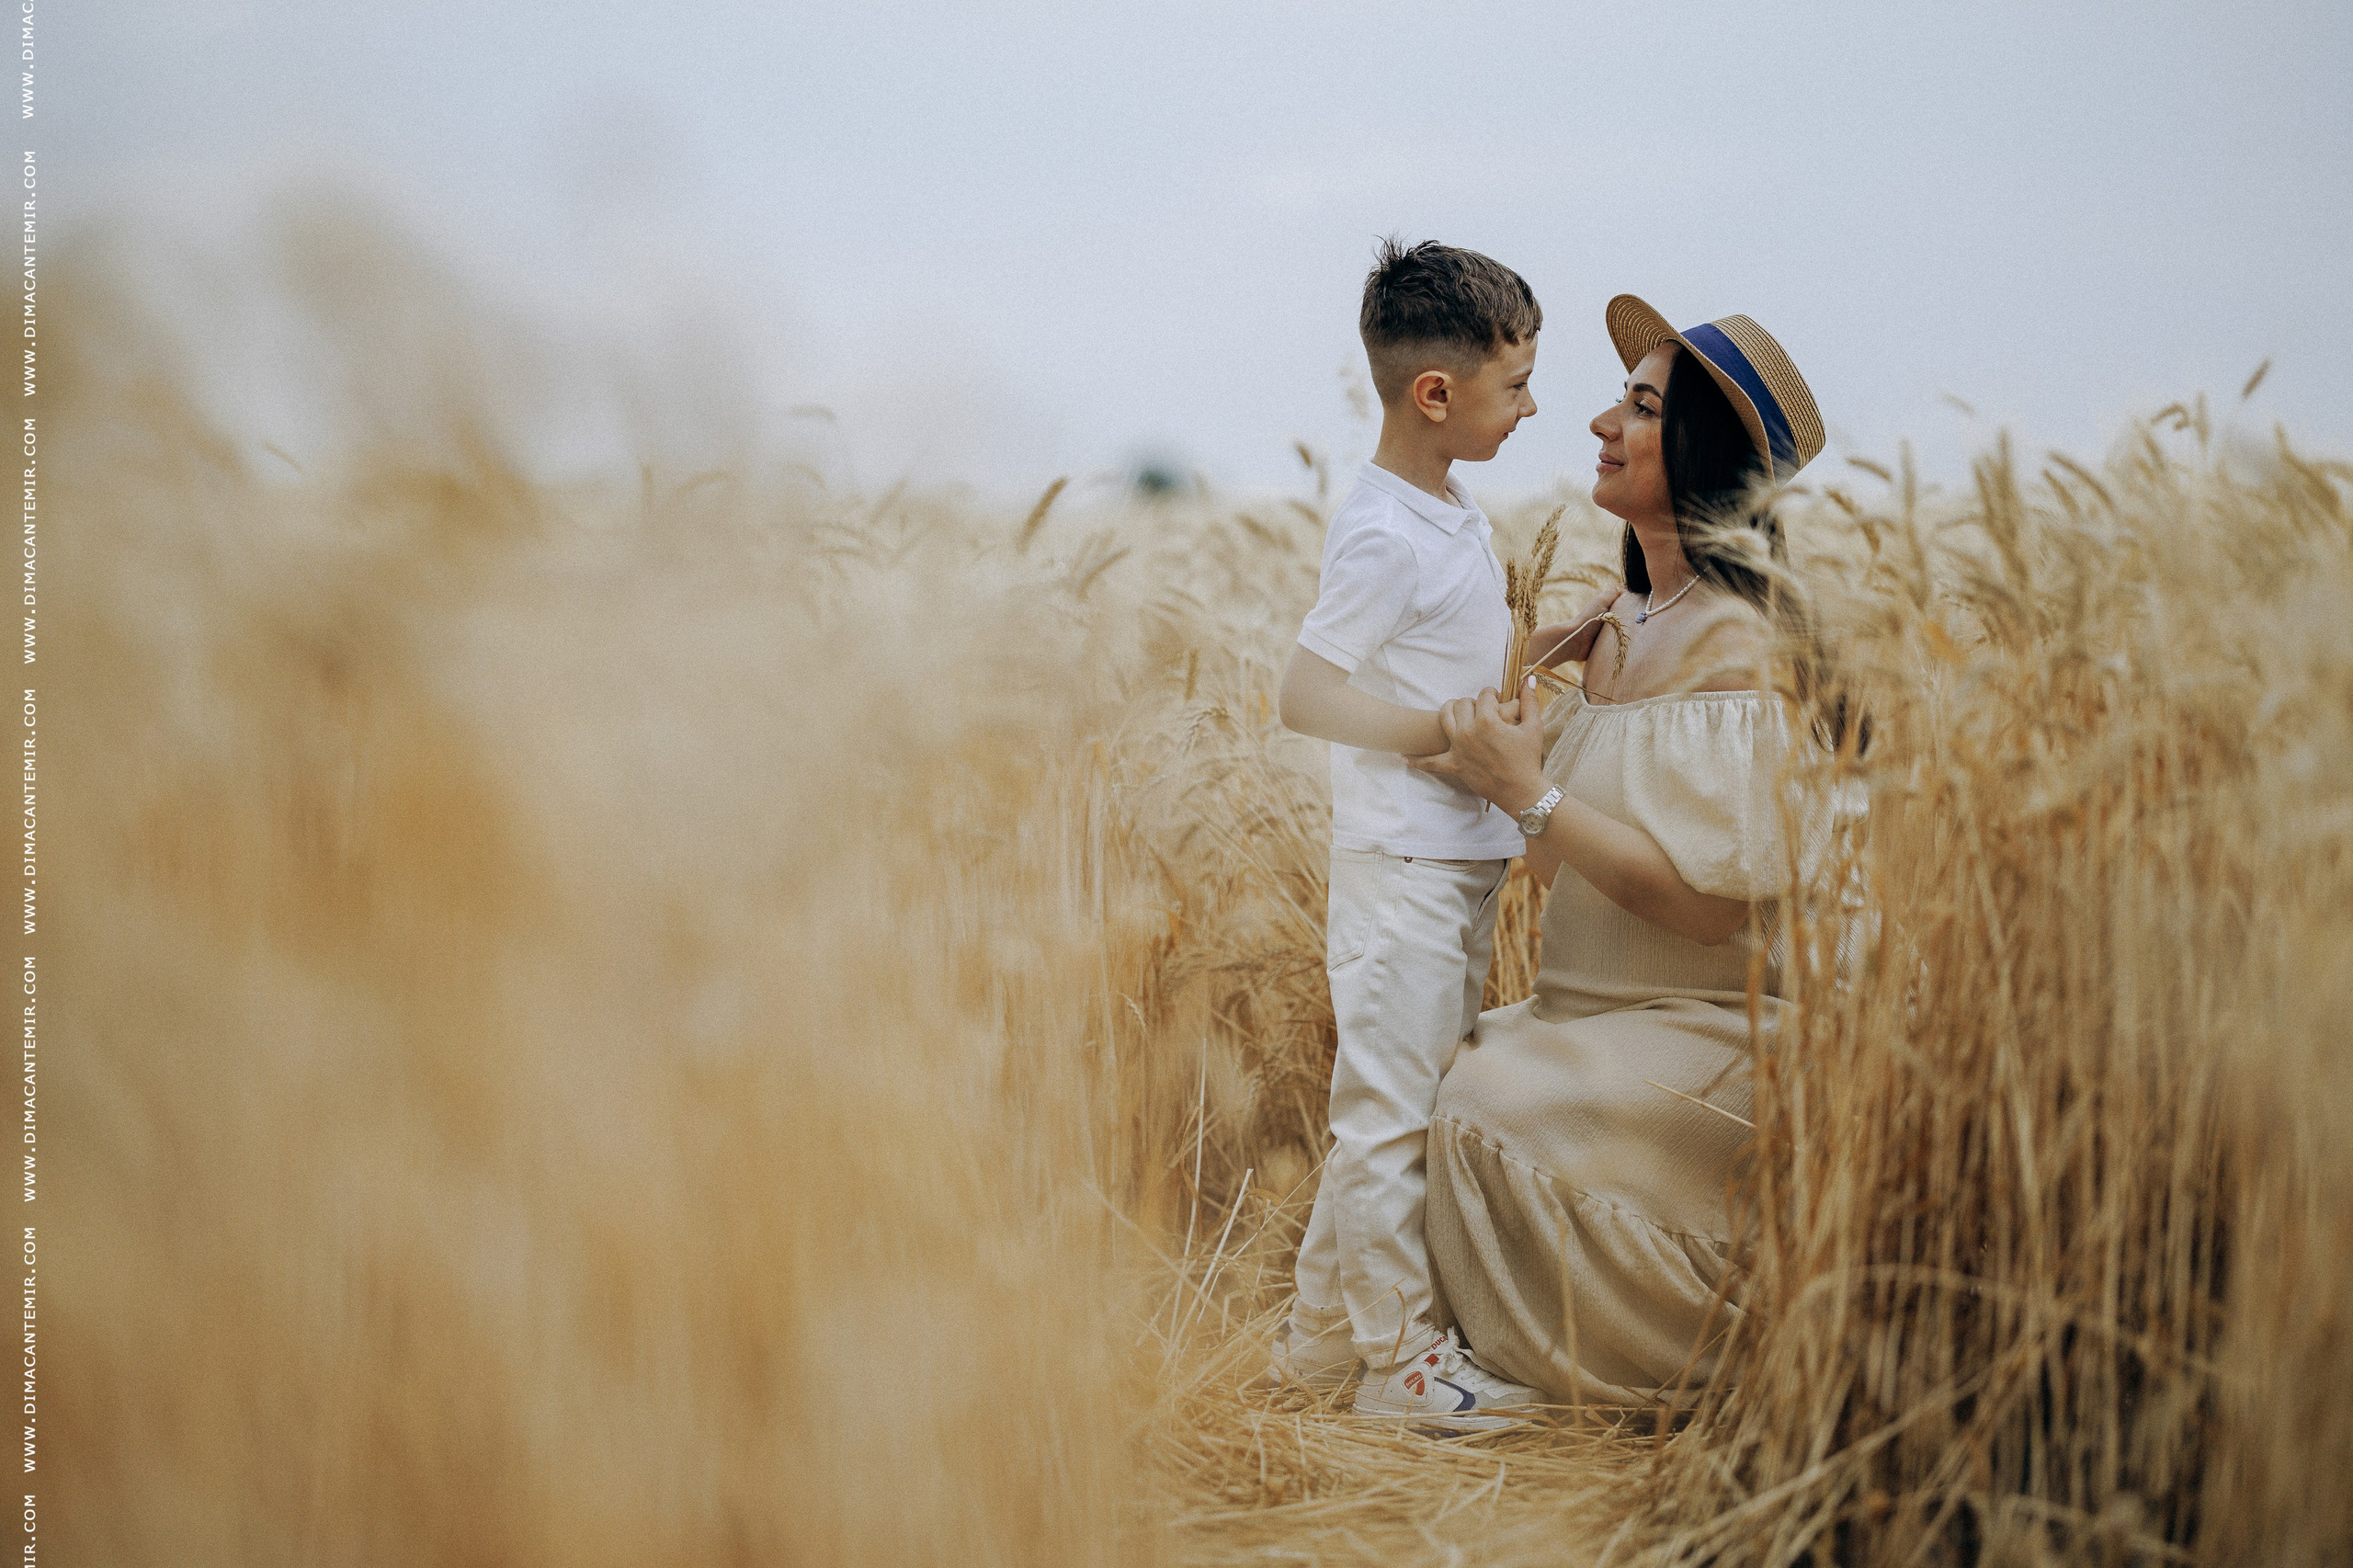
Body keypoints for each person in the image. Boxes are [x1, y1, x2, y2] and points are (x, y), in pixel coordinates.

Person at [1404, 295, 1834, 1406]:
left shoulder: (1738, 644)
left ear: (1705, 451)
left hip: (1706, 1028)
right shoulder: (1616, 622)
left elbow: (1711, 907)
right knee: (1432, 1062)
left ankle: (1642, 1364)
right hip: (1589, 1013)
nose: (1602, 422)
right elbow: (1556, 865)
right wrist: (1501, 717)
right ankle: (1476, 1347)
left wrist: (1526, 788)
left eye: (1641, 406)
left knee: (1490, 1100)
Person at [1264, 238, 1548, 1427]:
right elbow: (1305, 694)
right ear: (1436, 393)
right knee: (1389, 1116)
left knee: (1395, 1100)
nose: (1531, 406)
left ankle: (1317, 1342)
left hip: (1454, 857)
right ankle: (1400, 1363)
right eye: (1515, 383)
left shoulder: (1445, 504)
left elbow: (1450, 648)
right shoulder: (1384, 530)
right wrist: (1441, 733)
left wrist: (1545, 646)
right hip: (1405, 867)